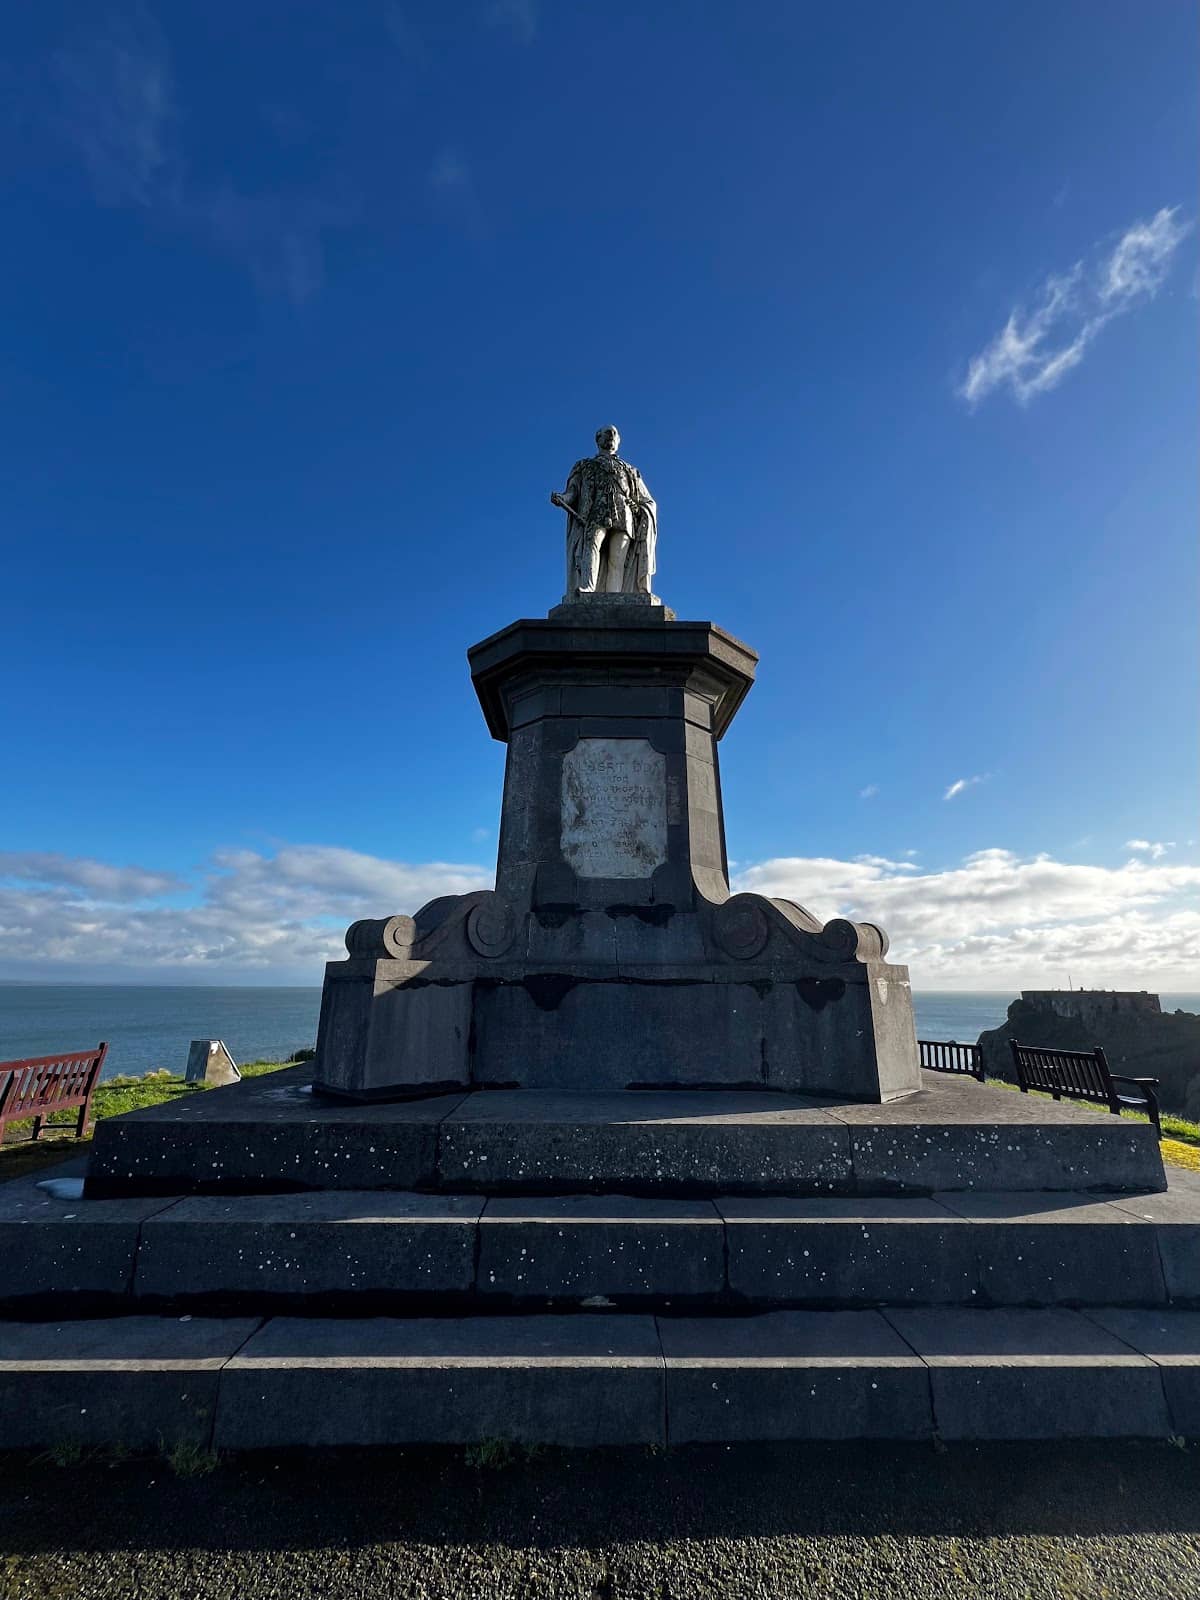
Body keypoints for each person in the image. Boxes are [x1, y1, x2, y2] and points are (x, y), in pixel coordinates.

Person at [550, 426, 657, 597]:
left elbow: (646, 499)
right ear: (597, 439)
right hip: (595, 514)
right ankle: (588, 589)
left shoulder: (630, 470)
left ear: (618, 441)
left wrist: (640, 509)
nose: (611, 435)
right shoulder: (584, 465)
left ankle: (614, 595)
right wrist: (564, 498)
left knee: (617, 559)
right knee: (591, 546)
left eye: (615, 433)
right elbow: (573, 492)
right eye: (607, 432)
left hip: (624, 515)